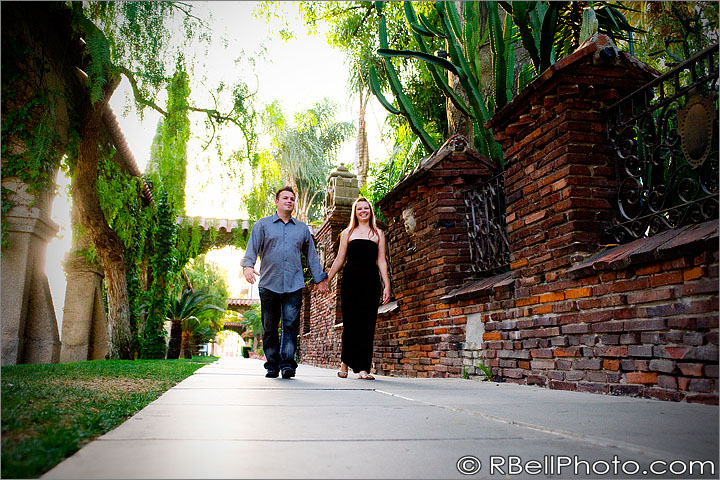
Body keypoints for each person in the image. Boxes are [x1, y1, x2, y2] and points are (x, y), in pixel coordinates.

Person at [242, 186, 329, 379]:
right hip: (269, 284)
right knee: (270, 327)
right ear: (276, 202)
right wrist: (248, 267)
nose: (289, 201)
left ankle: (288, 365)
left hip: (294, 284)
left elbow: (312, 256)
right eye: (285, 198)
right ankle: (272, 365)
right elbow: (252, 249)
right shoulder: (262, 225)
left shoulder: (302, 229)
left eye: (292, 199)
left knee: (290, 326)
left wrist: (320, 279)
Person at [327, 197, 391, 380]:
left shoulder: (378, 233)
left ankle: (363, 368)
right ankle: (344, 365)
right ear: (355, 212)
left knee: (367, 325)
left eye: (366, 208)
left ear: (370, 211)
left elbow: (381, 261)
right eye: (359, 209)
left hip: (371, 283)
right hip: (350, 282)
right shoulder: (347, 233)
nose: (363, 211)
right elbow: (339, 259)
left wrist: (387, 285)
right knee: (351, 323)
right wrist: (327, 279)